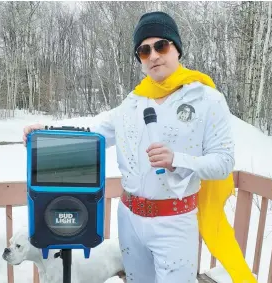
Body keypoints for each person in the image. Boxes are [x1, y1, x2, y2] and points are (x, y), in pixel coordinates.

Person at [23, 11, 257, 283]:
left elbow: (224, 161)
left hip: (175, 221)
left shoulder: (206, 99)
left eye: (161, 45)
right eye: (144, 50)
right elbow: (93, 129)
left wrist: (177, 160)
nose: (154, 55)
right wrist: (47, 130)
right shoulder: (133, 102)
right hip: (129, 220)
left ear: (176, 49)